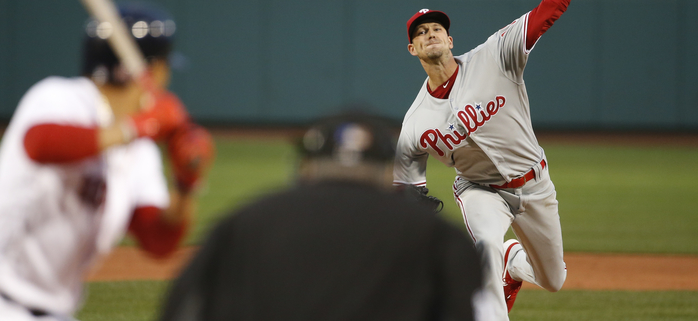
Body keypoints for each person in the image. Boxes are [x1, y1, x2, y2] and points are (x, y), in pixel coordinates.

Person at [0, 0, 214, 321]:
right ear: (148, 72)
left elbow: (158, 240)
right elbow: (40, 143)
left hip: (49, 311)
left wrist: (186, 182)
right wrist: (139, 126)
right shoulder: (62, 99)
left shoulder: (140, 151)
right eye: (164, 67)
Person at [392, 0, 606, 320]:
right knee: (485, 246)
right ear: (412, 49)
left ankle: (513, 261)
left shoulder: (495, 56)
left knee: (553, 279)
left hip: (535, 183)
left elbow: (549, 10)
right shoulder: (416, 123)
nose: (430, 33)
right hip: (480, 190)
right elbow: (405, 185)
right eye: (421, 32)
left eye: (436, 28)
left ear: (450, 39)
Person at [159, 112, 484, 321]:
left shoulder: (246, 222)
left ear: (306, 167)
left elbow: (185, 307)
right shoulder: (437, 234)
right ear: (388, 173)